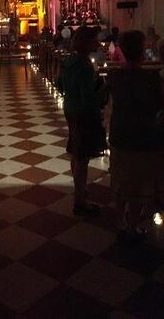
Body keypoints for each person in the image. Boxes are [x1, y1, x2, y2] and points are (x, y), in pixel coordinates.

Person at [107, 31, 164, 243]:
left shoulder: (114, 75)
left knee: (121, 179)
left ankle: (120, 222)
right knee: (138, 182)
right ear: (142, 50)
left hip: (120, 132)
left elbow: (102, 98)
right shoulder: (152, 77)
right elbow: (163, 103)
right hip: (144, 134)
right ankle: (132, 226)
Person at [57, 26, 106, 216]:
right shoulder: (84, 65)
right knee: (83, 157)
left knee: (76, 151)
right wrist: (103, 90)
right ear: (87, 42)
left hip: (70, 108)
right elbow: (88, 99)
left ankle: (80, 190)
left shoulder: (68, 60)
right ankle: (80, 202)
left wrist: (71, 94)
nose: (98, 43)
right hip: (83, 113)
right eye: (94, 40)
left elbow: (59, 84)